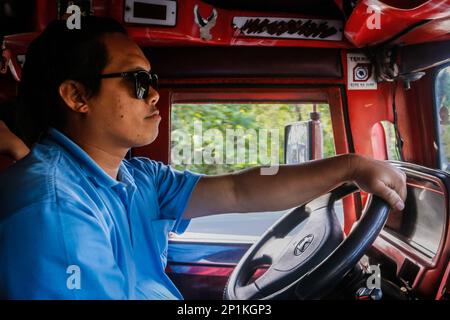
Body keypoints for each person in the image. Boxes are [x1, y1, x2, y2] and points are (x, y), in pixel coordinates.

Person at [0, 16, 406, 299]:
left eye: (153, 81)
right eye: (138, 82)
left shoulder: (136, 176)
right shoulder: (54, 210)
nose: (154, 94)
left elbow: (237, 189)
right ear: (77, 96)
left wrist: (352, 166)